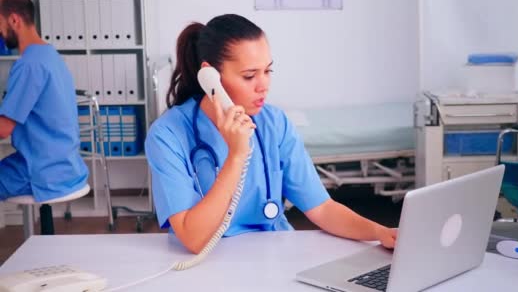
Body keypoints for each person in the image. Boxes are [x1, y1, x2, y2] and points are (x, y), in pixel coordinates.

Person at [145, 14, 397, 254]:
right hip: (207, 264)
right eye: (249, 75)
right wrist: (236, 156)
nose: (263, 85)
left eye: (268, 71)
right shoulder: (167, 135)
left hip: (274, 257)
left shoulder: (274, 123)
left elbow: (322, 209)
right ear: (210, 77)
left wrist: (379, 232)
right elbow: (193, 239)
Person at [0, 0, 88, 202]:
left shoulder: (29, 65)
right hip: (66, 165)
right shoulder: (50, 56)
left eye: (0, 25)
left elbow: (3, 129)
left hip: (42, 171)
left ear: (14, 19)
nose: (0, 32)